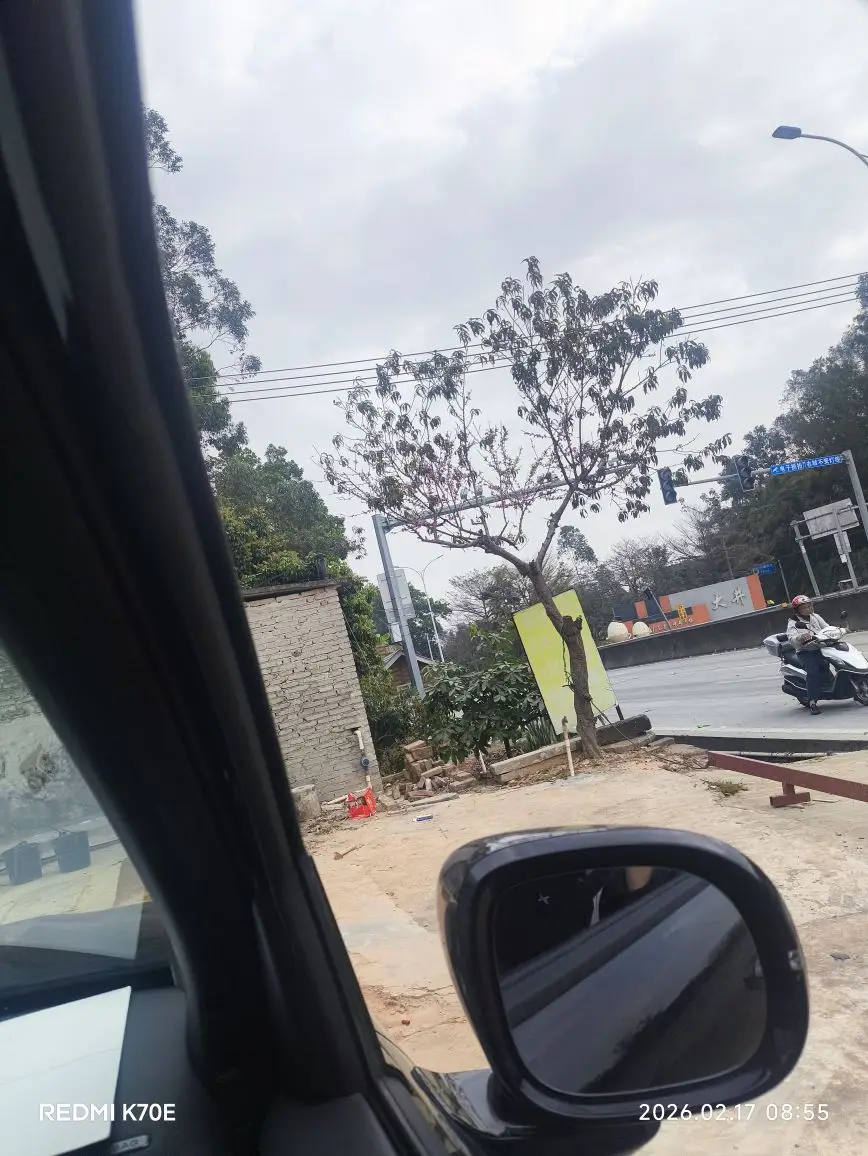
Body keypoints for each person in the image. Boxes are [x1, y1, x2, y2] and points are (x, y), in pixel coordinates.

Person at [786, 595, 831, 715]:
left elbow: (827, 627)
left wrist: (838, 630)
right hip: (806, 651)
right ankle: (812, 702)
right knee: (813, 672)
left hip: (820, 647)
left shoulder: (815, 616)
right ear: (797, 610)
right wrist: (799, 638)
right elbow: (791, 638)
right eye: (804, 607)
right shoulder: (793, 622)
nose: (808, 609)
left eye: (809, 606)